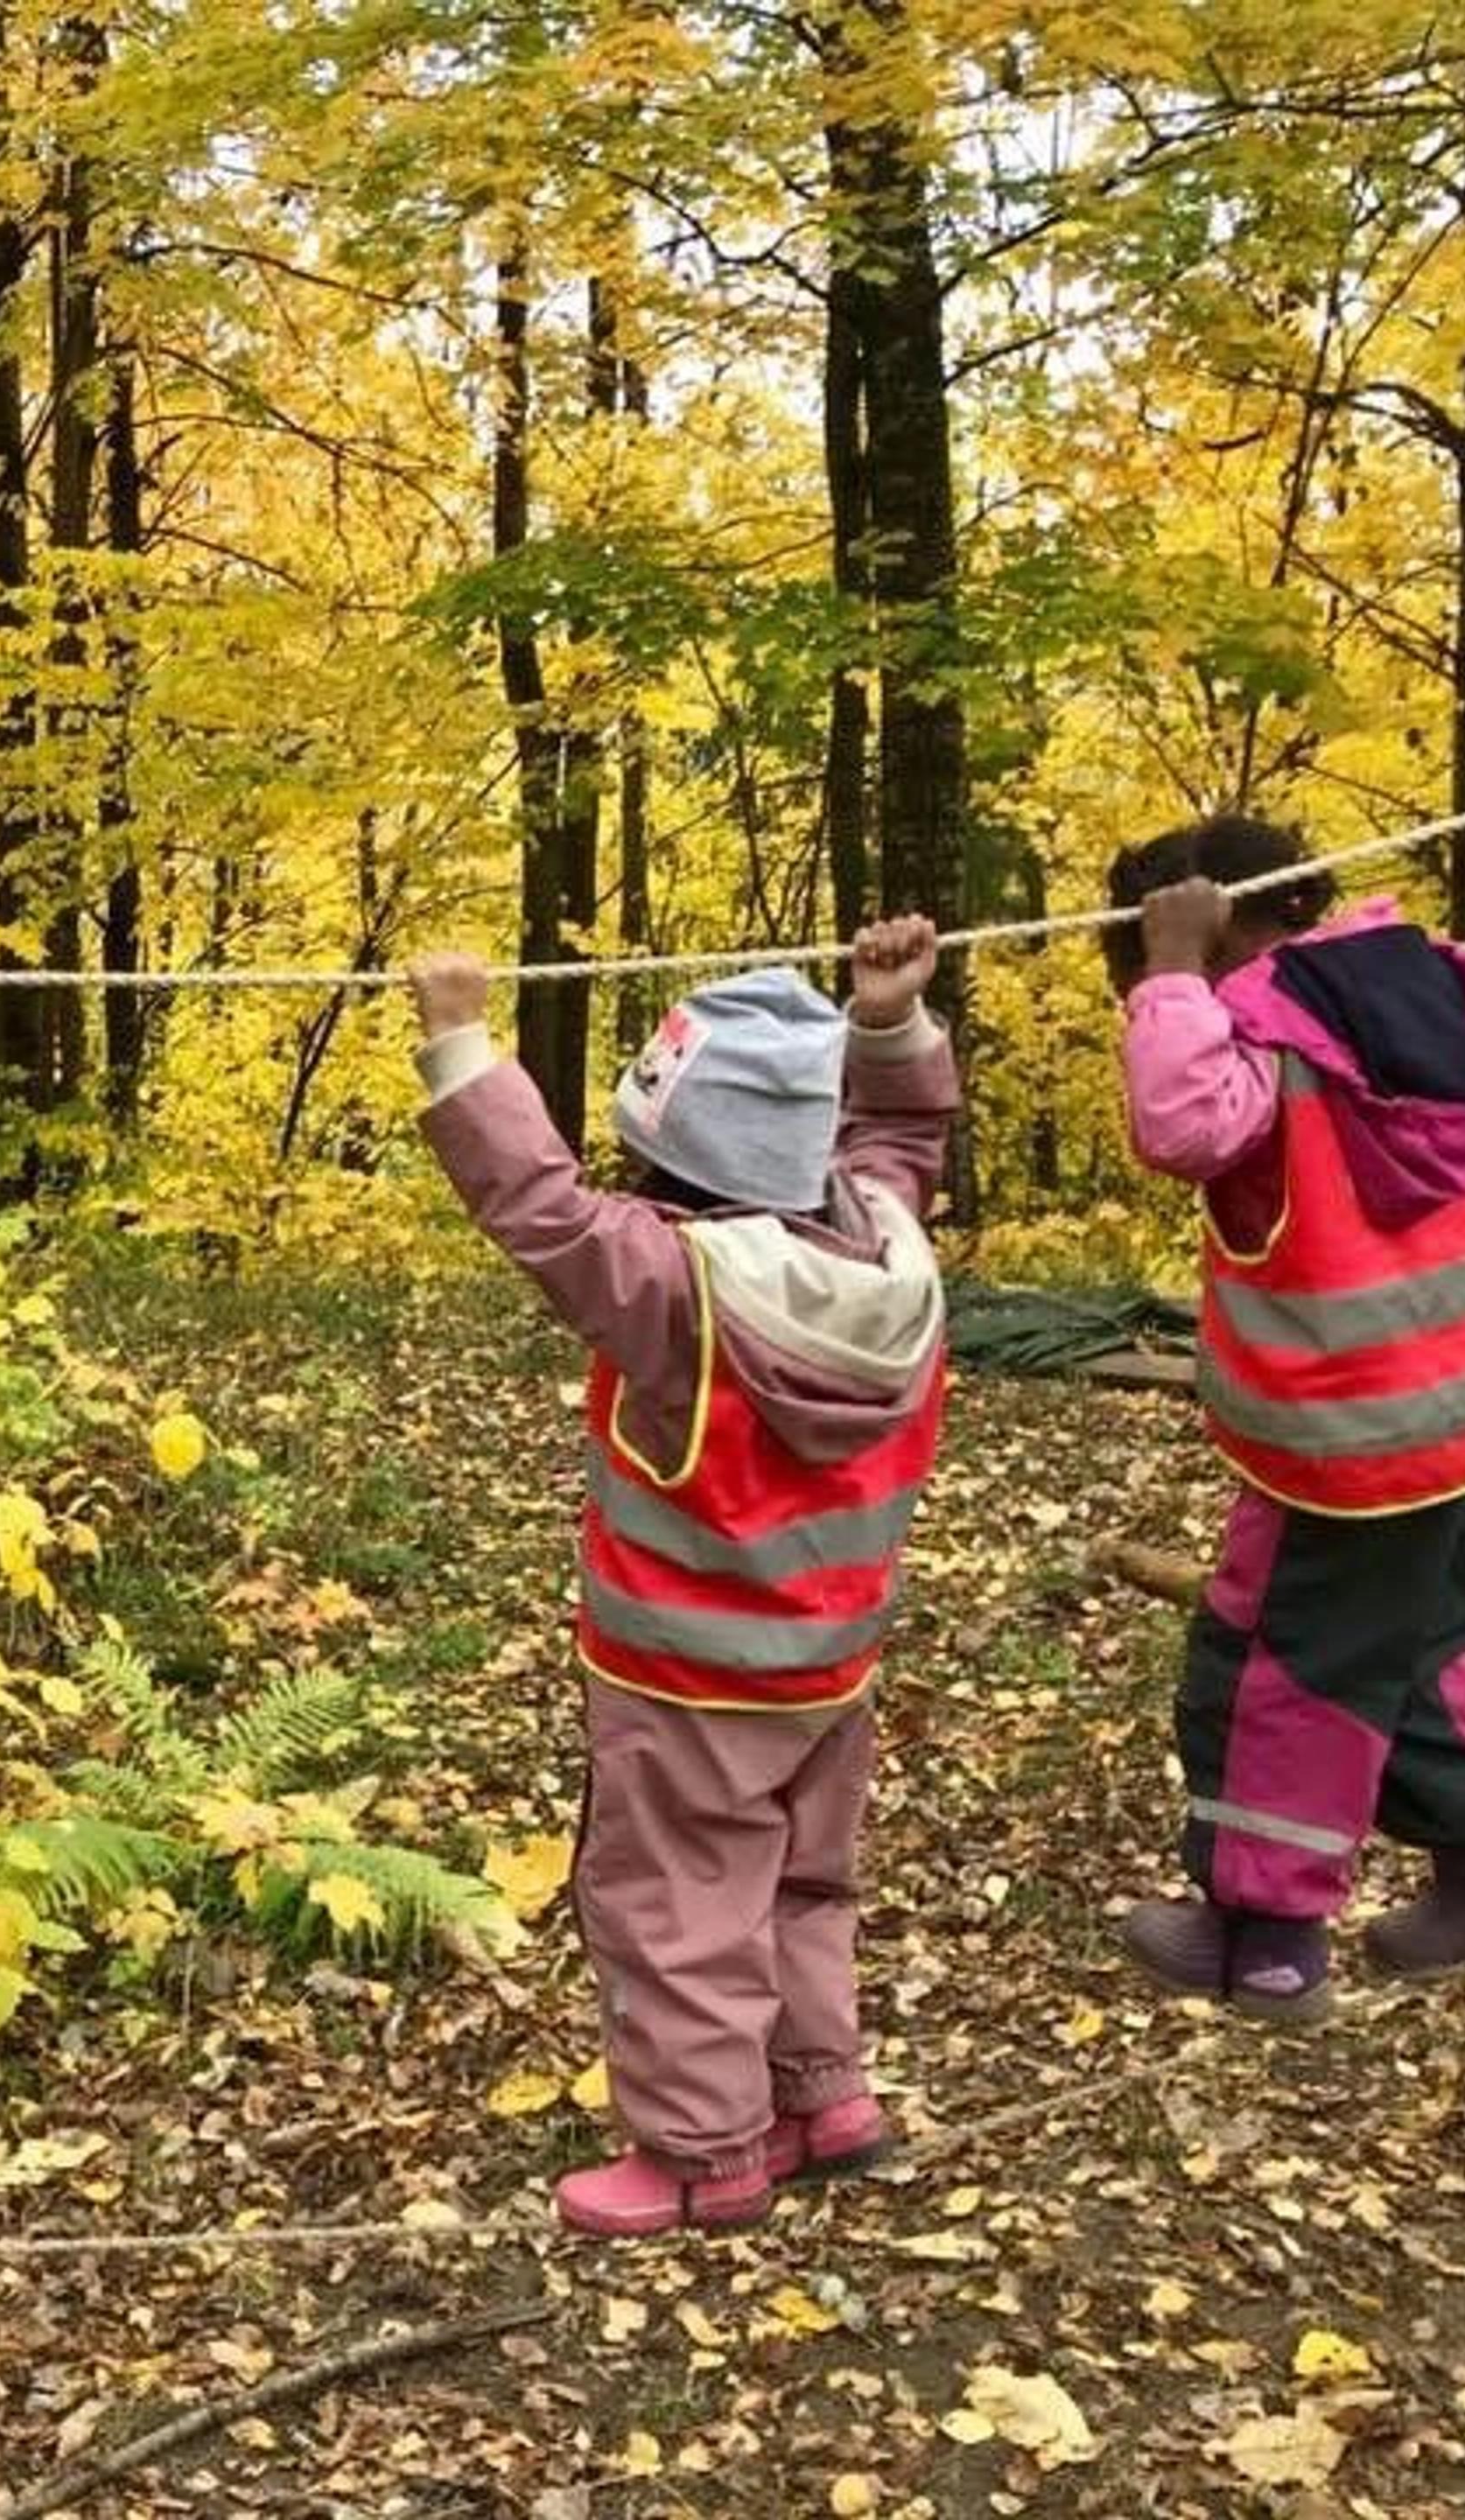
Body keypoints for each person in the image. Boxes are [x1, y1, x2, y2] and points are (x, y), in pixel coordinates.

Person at [409, 921, 955, 2236]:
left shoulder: (678, 1285)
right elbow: (898, 1147)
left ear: (680, 1162)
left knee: (675, 1903)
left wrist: (458, 1042)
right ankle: (822, 2093)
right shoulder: (888, 1250)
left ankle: (703, 2153)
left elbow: (542, 1209)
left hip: (689, 1673)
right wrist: (888, 1028)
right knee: (802, 1878)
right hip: (830, 1665)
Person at [1104, 773, 1465, 2023]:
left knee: (1274, 1671)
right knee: (1403, 1648)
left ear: (1215, 919)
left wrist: (1173, 975)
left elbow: (1181, 1127)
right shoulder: (1448, 980)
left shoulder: (1254, 1032)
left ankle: (1268, 1936)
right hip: (1459, 1410)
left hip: (1339, 1441)